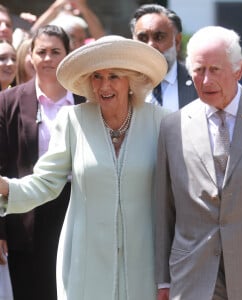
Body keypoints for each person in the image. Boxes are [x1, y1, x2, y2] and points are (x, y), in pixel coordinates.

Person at [0, 34, 169, 299]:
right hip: (86, 262)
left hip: (144, 263)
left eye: (114, 75)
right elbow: (45, 182)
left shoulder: (161, 122)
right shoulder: (73, 120)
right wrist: (5, 187)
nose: (104, 85)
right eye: (97, 76)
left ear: (131, 80)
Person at [154, 25, 242, 300]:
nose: (206, 80)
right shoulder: (172, 127)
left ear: (238, 69)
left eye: (215, 70)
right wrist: (163, 280)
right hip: (194, 277)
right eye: (198, 70)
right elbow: (164, 210)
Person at [0, 25, 85, 300]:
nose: (48, 58)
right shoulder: (8, 101)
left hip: (79, 213)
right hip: (24, 220)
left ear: (68, 55)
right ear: (31, 57)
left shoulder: (88, 101)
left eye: (55, 52)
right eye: (41, 52)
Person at [130, 3, 197, 111]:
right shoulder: (123, 84)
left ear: (177, 41)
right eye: (142, 38)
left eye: (159, 37)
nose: (150, 45)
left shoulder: (198, 82)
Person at [30, 0, 105, 50]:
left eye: (80, 39)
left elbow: (101, 39)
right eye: (72, 37)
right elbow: (33, 32)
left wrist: (83, 8)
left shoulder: (87, 45)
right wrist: (56, 6)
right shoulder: (51, 52)